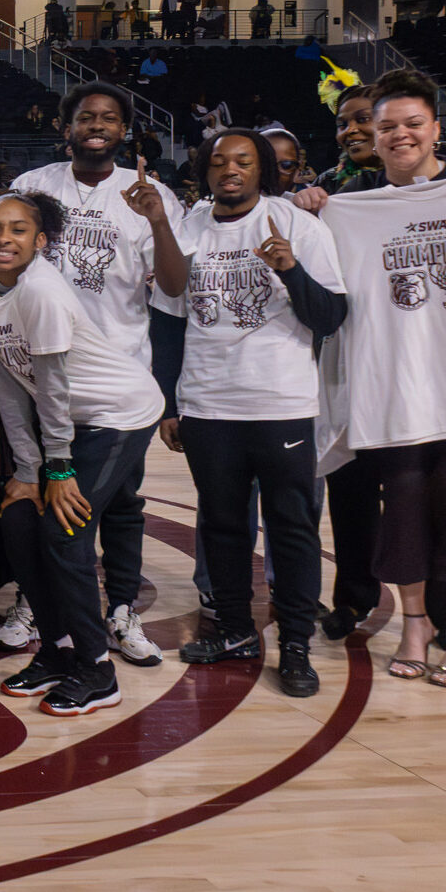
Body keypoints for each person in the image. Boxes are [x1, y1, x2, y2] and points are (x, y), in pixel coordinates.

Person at [158, 130, 346, 698]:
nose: (229, 170)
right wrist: (170, 402)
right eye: (218, 161)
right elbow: (167, 321)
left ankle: (294, 642)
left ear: (263, 170)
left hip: (282, 403)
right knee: (221, 523)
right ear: (205, 171)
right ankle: (235, 629)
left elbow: (332, 316)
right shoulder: (188, 228)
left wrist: (290, 269)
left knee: (290, 526)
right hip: (209, 403)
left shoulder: (299, 227)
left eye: (242, 161)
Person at [10, 84, 192, 663]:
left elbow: (173, 286)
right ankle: (36, 605)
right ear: (66, 127)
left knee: (119, 502)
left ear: (125, 131)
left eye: (109, 118)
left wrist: (159, 220)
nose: (96, 125)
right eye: (85, 116)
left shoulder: (151, 194)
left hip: (117, 377)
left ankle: (121, 609)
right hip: (42, 373)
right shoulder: (32, 187)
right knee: (43, 491)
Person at [0, 191, 165, 715]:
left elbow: (53, 386)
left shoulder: (42, 291)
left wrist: (56, 467)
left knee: (64, 529)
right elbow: (13, 383)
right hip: (75, 421)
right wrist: (29, 471)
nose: (4, 238)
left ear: (40, 242)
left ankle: (98, 669)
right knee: (18, 518)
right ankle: (57, 652)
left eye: (18, 230)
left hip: (120, 411)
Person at [311, 71, 446, 685]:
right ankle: (416, 625)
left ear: (436, 130)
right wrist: (311, 210)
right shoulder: (348, 211)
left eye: (411, 124)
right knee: (400, 521)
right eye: (387, 125)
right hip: (392, 390)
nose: (399, 135)